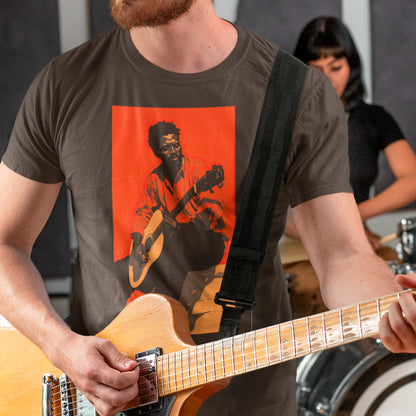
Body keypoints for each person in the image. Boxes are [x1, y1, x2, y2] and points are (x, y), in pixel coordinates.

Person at [0, 2, 416, 416]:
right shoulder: (64, 84)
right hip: (103, 404)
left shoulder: (294, 91)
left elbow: (343, 255)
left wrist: (392, 308)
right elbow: (4, 244)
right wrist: (61, 346)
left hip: (254, 405)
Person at [291, 16, 416, 249]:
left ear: (351, 66)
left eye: (335, 68)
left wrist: (355, 216)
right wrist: (335, 230)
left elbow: (412, 180)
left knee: (395, 282)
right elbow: (267, 205)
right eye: (315, 69)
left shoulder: (373, 119)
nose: (327, 79)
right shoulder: (285, 119)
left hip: (356, 233)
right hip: (303, 240)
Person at [129, 120, 226, 300]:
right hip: (177, 241)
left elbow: (215, 218)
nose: (173, 152)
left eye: (176, 145)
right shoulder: (155, 179)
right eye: (167, 148)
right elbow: (143, 212)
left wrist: (182, 225)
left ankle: (174, 305)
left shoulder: (201, 172)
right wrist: (137, 240)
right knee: (123, 265)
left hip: (208, 241)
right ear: (157, 151)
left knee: (172, 237)